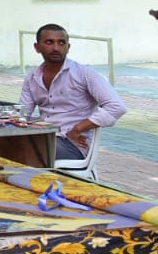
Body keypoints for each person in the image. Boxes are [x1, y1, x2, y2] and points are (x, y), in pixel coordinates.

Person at [18, 24, 126, 164]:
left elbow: (117, 107)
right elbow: (21, 115)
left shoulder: (84, 74)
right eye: (49, 42)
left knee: (23, 150)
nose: (56, 48)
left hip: (73, 144)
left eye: (61, 43)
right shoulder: (32, 78)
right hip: (44, 138)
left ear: (68, 47)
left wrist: (78, 129)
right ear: (37, 47)